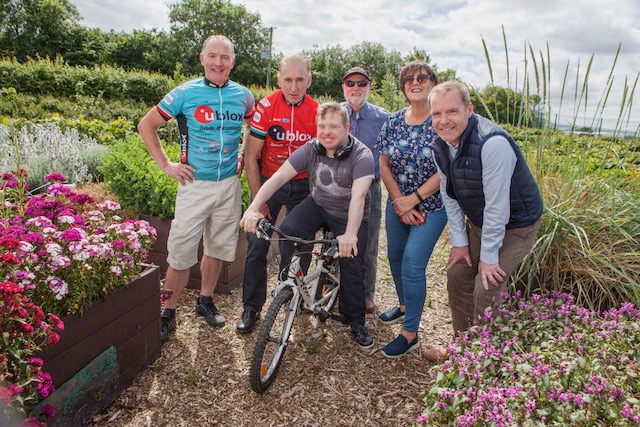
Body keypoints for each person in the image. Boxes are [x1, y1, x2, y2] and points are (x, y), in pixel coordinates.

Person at [138, 35, 255, 342]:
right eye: (212, 56)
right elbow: (146, 125)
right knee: (179, 253)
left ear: (232, 62)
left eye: (225, 57)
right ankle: (168, 311)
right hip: (194, 185)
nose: (218, 62)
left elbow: (252, 128)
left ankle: (205, 300)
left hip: (229, 185)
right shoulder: (184, 93)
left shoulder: (244, 96)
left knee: (217, 247)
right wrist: (166, 165)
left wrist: (243, 153)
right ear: (202, 58)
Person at [240, 102, 375, 349]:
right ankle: (290, 284)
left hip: (349, 214)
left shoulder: (362, 155)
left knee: (353, 264)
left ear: (347, 128)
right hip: (318, 204)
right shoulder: (311, 149)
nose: (326, 132)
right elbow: (279, 177)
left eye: (333, 126)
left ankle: (356, 320)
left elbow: (358, 198)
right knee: (289, 231)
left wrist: (350, 234)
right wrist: (253, 207)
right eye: (322, 126)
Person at [426, 80, 543, 361]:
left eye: (452, 112)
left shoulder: (493, 144)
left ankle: (485, 360)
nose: (444, 121)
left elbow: (497, 208)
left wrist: (489, 257)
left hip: (517, 224)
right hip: (480, 221)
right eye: (436, 114)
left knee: (487, 286)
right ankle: (462, 349)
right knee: (457, 274)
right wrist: (460, 243)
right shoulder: (441, 145)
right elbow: (450, 196)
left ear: (469, 109)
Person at [236, 54, 318, 334]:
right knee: (257, 241)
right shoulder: (266, 106)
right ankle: (252, 306)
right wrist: (258, 201)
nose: (293, 87)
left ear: (309, 79)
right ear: (279, 78)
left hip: (304, 183)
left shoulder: (317, 111)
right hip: (270, 180)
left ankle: (290, 295)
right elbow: (251, 156)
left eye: (299, 80)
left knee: (299, 241)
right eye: (287, 80)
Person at [375, 61, 448, 358]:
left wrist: (413, 199)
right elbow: (383, 163)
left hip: (431, 208)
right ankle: (404, 305)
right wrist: (399, 201)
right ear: (402, 86)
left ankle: (410, 333)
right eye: (408, 79)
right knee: (394, 257)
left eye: (421, 77)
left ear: (432, 82)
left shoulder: (442, 121)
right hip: (398, 204)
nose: (414, 82)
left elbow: (446, 169)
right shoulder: (393, 121)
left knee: (412, 264)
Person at [341, 66, 390, 314]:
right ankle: (333, 287)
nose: (356, 88)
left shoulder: (384, 118)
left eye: (361, 83)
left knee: (368, 243)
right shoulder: (335, 114)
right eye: (350, 83)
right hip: (338, 188)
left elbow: (391, 154)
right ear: (343, 88)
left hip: (370, 188)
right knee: (334, 238)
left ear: (370, 86)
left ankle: (366, 293)